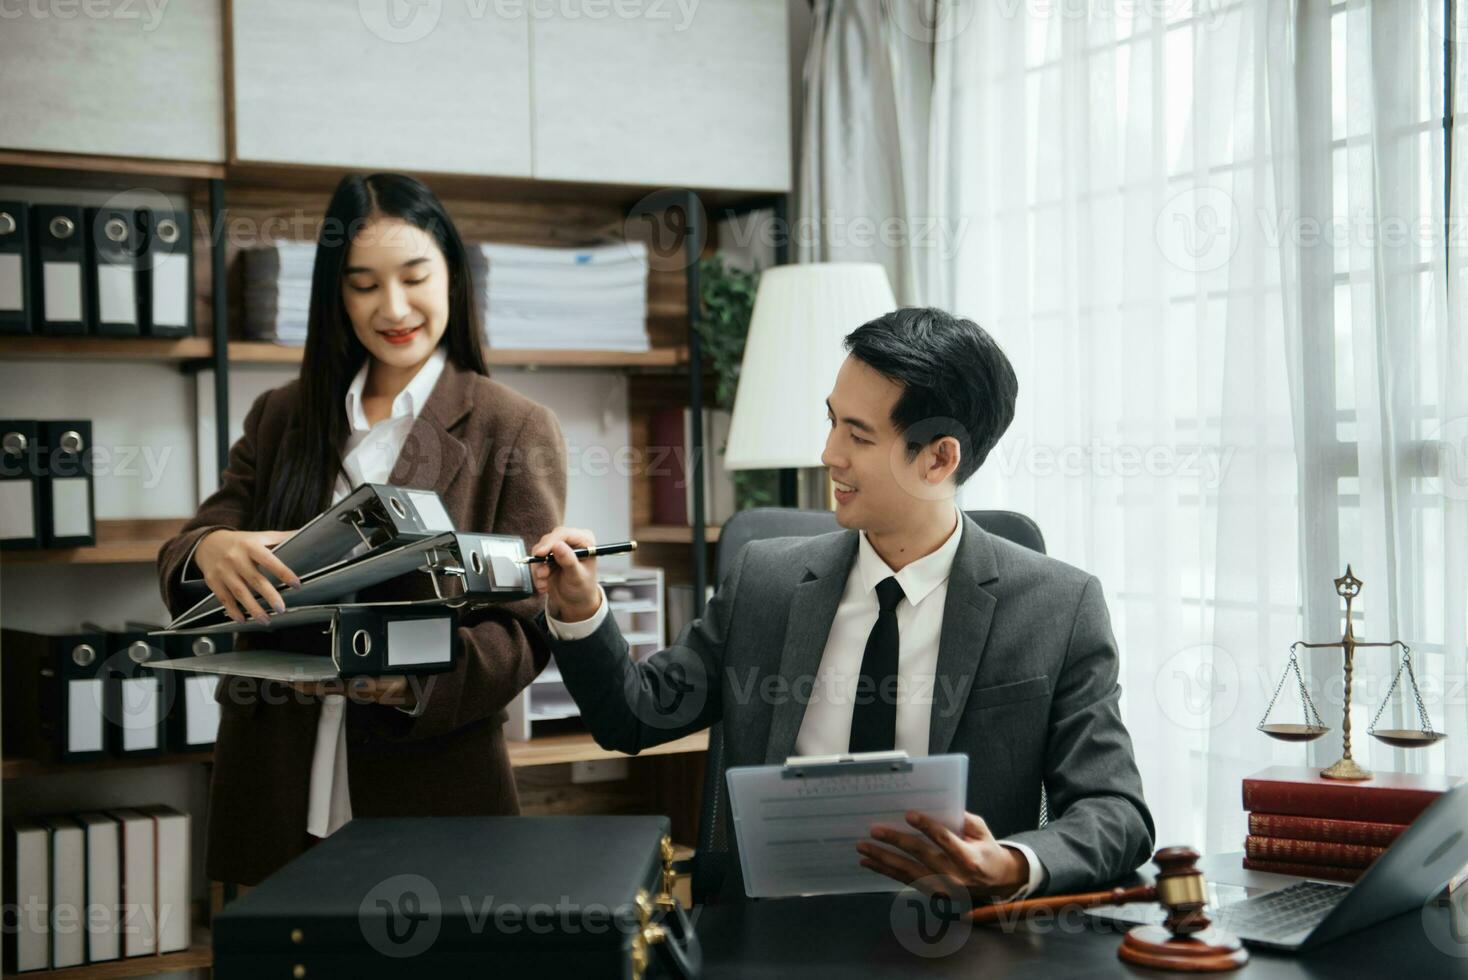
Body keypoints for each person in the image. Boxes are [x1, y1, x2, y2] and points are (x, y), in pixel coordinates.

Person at [533, 306, 1153, 902]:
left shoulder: (1059, 607)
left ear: (939, 458)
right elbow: (633, 715)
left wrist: (1013, 862)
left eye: (857, 434)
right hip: (771, 934)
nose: (830, 453)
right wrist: (580, 610)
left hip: (957, 936)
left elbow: (1115, 810)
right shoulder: (766, 583)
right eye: (831, 421)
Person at [156, 173, 566, 885]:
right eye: (364, 285)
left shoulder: (515, 426)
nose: (394, 308)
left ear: (452, 278)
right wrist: (210, 548)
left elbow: (525, 629)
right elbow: (193, 545)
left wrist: (408, 682)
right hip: (275, 785)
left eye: (414, 277)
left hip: (431, 793)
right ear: (336, 295)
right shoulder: (281, 415)